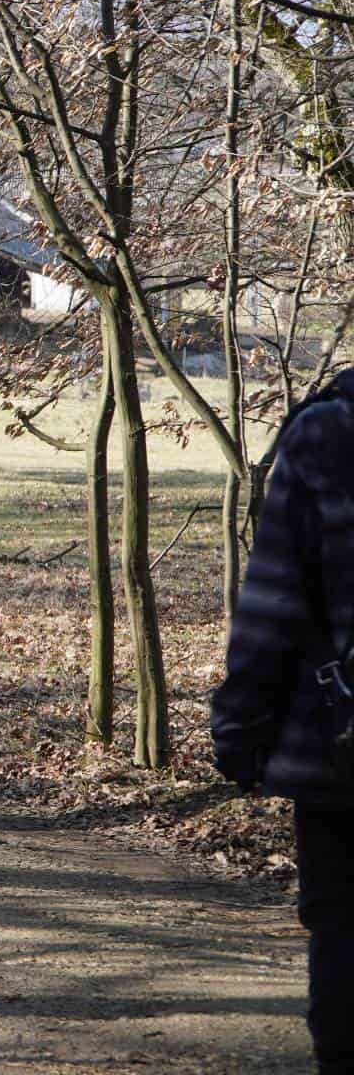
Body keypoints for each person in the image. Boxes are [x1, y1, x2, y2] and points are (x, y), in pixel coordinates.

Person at [212, 366, 354, 1074]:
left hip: (340, 745)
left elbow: (273, 603)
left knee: (341, 929)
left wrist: (240, 729)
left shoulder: (326, 435)